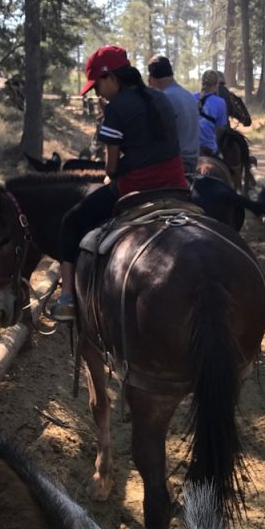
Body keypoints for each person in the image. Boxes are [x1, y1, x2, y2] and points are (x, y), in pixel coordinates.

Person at [50, 45, 187, 322]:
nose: (97, 93)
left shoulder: (116, 109)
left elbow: (111, 168)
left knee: (71, 222)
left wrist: (112, 173)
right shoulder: (160, 98)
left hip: (136, 186)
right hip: (176, 183)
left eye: (97, 85)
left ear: (111, 77)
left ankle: (67, 300)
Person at [146, 54, 199, 175]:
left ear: (151, 78)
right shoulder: (188, 95)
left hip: (173, 164)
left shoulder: (163, 99)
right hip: (193, 160)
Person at [194, 69, 228, 156]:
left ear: (202, 83)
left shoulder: (192, 97)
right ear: (216, 85)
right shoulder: (220, 102)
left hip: (192, 148)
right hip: (210, 148)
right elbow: (219, 128)